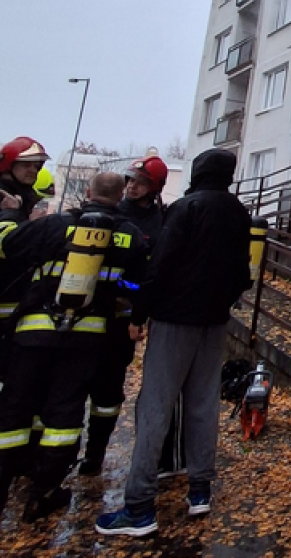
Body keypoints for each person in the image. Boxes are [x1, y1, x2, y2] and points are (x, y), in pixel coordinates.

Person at [96, 148, 251, 537]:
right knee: (203, 405)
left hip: (174, 320)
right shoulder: (238, 212)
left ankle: (139, 507)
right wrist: (221, 304)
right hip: (214, 324)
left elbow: (161, 265)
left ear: (198, 172)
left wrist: (138, 313)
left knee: (155, 407)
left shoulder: (186, 208)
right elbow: (242, 272)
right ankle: (200, 490)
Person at [0, 172, 147, 522]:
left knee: (15, 410)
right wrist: (116, 291)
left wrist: (10, 215)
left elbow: (9, 248)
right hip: (88, 338)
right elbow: (138, 284)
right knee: (64, 416)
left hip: (33, 334)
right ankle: (44, 493)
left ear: (87, 192)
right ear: (119, 195)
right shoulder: (131, 237)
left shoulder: (54, 225)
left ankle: (4, 486)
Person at [80, 155, 181, 477]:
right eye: (129, 180)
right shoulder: (110, 213)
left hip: (122, 318)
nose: (131, 186)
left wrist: (132, 298)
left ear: (155, 188)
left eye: (139, 182)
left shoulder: (161, 222)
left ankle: (94, 455)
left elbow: (153, 273)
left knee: (109, 388)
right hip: (86, 312)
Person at [0, 138, 52, 378]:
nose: (34, 170)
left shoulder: (26, 198)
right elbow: (9, 246)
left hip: (19, 299)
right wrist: (24, 222)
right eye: (27, 164)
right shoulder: (5, 199)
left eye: (38, 165)